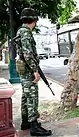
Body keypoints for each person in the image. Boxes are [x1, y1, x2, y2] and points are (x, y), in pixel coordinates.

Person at [15, 8, 52, 136]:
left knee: (25, 97)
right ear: (34, 21)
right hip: (28, 70)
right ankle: (34, 126)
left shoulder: (21, 31)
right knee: (32, 97)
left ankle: (26, 122)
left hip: (24, 69)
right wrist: (35, 70)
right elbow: (28, 54)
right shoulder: (26, 33)